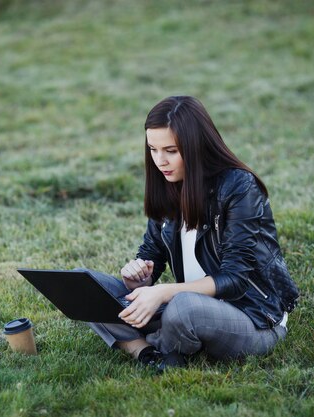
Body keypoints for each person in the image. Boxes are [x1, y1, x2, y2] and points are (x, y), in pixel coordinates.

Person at [84, 96, 299, 372]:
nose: (160, 161)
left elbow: (235, 279)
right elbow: (151, 254)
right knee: (88, 286)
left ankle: (155, 340)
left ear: (196, 146)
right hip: (190, 307)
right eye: (153, 149)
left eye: (171, 151)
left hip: (253, 317)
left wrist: (163, 293)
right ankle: (146, 352)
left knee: (182, 308)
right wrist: (140, 276)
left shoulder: (239, 188)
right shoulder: (168, 185)